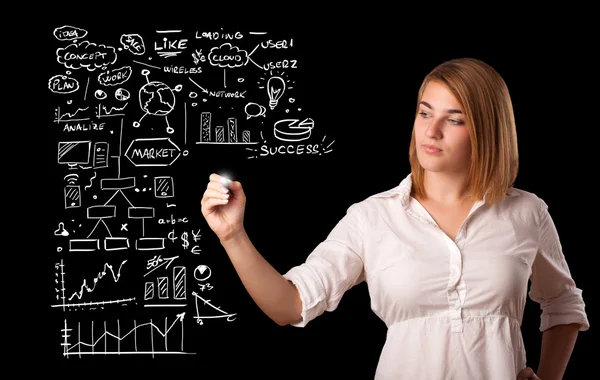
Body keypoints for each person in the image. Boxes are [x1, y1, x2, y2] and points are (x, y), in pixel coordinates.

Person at [200, 57, 590, 379]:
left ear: (488, 131)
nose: (431, 131)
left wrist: (549, 378)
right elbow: (290, 305)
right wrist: (233, 235)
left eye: (454, 119)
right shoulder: (373, 217)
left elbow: (563, 304)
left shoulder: (527, 212)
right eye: (425, 113)